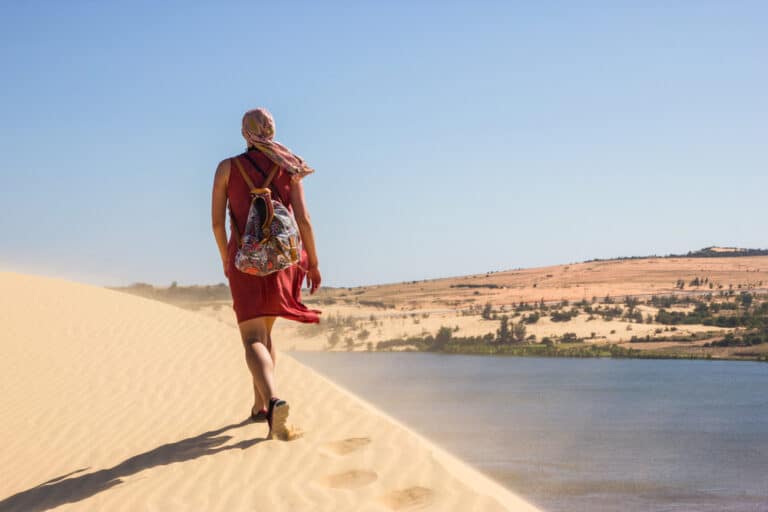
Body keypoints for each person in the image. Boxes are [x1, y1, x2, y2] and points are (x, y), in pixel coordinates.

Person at [211, 108, 321, 439]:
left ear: (246, 133)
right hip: (284, 262)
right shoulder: (289, 167)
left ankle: (273, 400)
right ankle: (259, 406)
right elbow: (303, 220)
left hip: (244, 261)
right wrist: (313, 263)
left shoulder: (227, 168)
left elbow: (217, 222)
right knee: (266, 334)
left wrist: (225, 258)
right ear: (271, 131)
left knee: (252, 338)